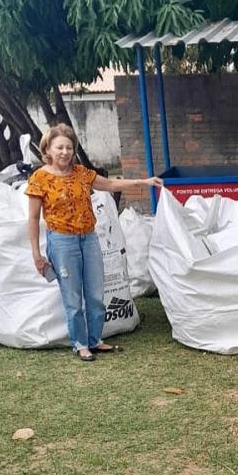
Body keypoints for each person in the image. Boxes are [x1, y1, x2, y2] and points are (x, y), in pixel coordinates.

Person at [26, 124, 163, 362]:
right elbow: (33, 218)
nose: (65, 152)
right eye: (59, 147)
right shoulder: (40, 178)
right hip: (62, 242)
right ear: (48, 148)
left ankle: (95, 339)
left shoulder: (81, 173)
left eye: (69, 147)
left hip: (88, 238)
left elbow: (111, 185)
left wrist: (143, 181)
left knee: (96, 293)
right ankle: (80, 344)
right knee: (72, 298)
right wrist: (36, 254)